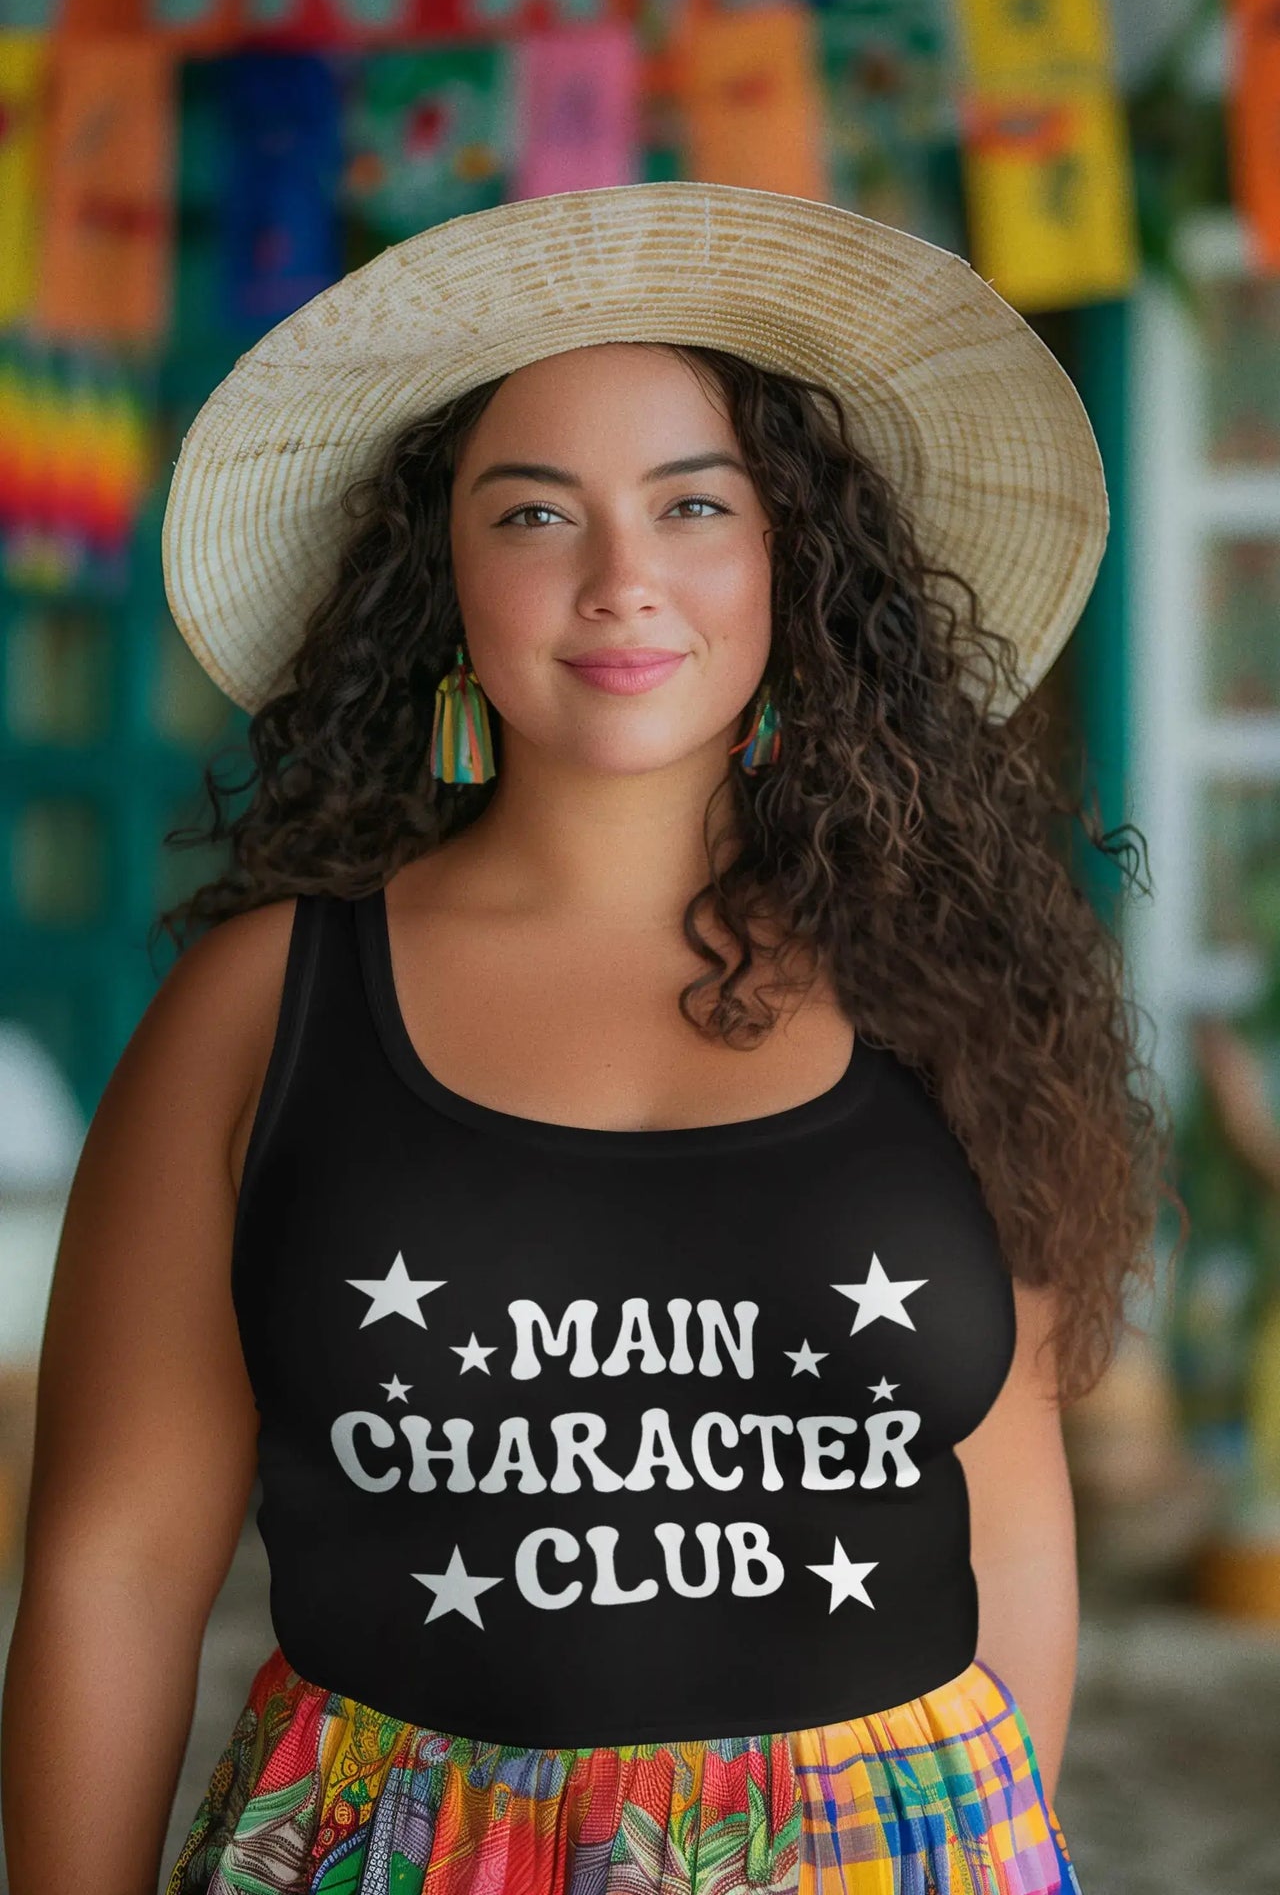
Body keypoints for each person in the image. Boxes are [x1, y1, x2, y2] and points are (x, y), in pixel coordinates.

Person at [2, 182, 1182, 1894]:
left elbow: (1006, 1519)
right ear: (445, 581)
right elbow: (110, 1566)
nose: (623, 580)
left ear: (792, 559)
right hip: (382, 1855)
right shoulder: (264, 1006)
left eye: (694, 503)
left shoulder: (958, 988)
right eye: (535, 514)